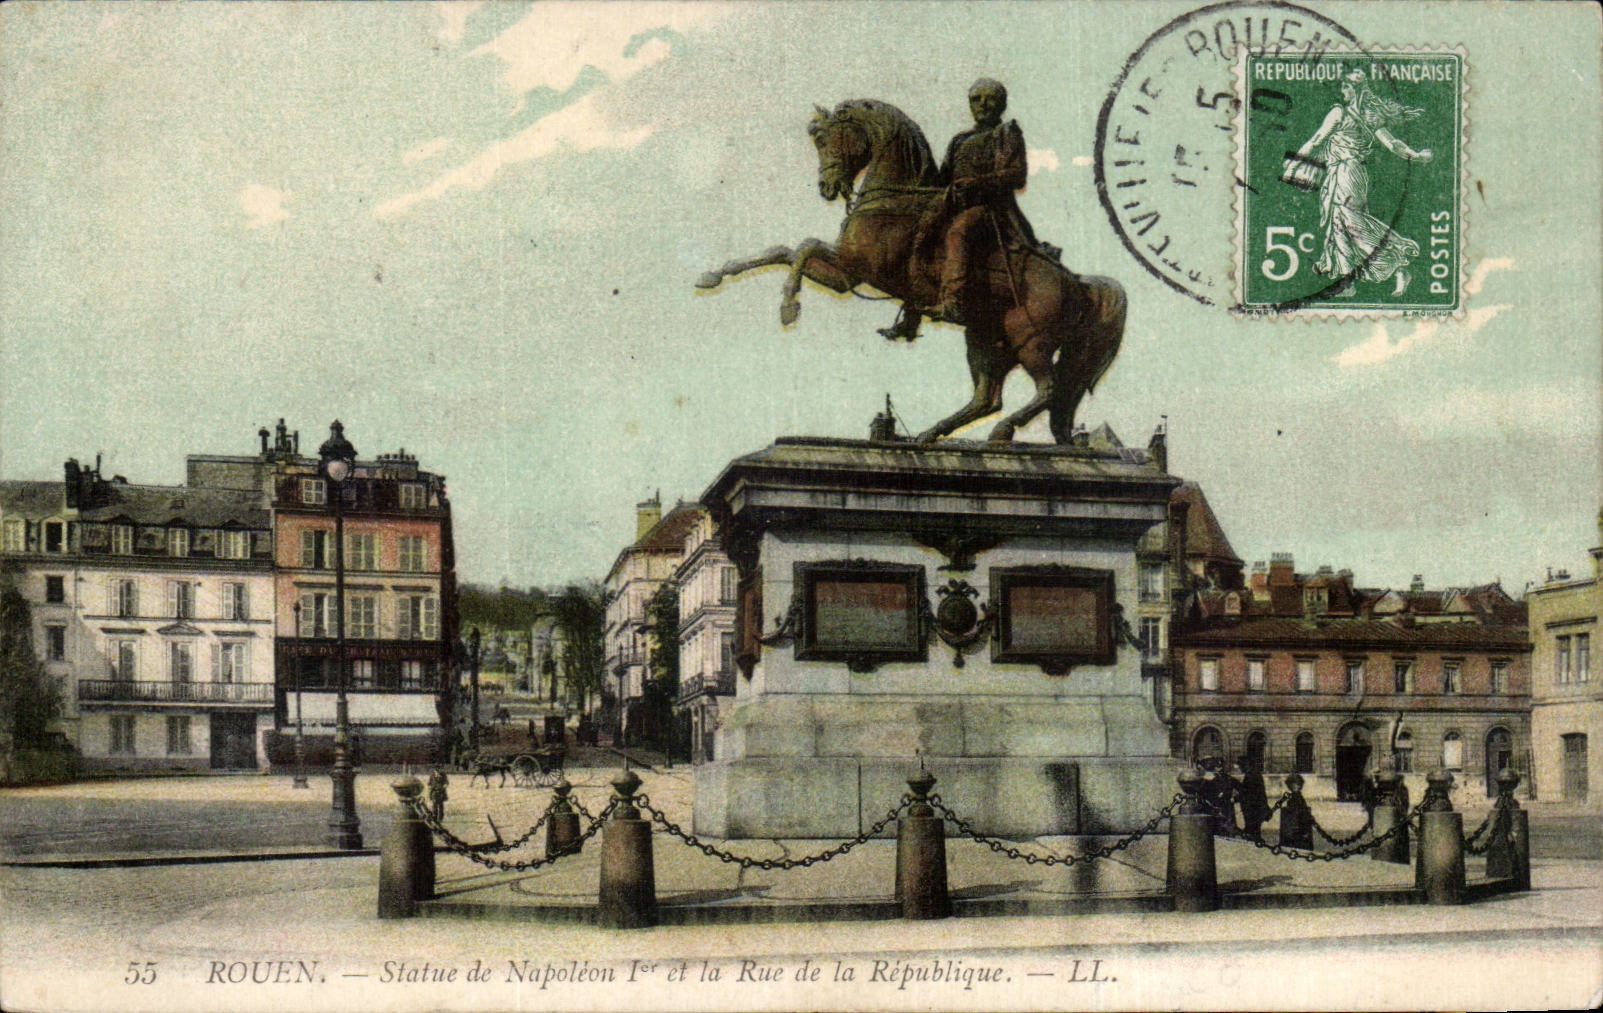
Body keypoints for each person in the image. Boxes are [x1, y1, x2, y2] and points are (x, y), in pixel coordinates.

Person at [879, 78, 1038, 340]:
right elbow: (943, 179)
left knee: (959, 231)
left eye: (990, 99)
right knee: (918, 237)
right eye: (976, 99)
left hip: (990, 209)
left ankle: (954, 302)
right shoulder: (960, 140)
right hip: (955, 205)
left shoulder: (1006, 133)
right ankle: (911, 317)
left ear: (1002, 104)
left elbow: (1016, 175)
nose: (982, 104)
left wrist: (976, 182)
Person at [1283, 68, 1433, 297]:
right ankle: (1347, 282)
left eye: (1345, 87)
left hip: (1344, 173)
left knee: (1350, 224)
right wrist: (1415, 155)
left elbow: (1315, 140)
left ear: (1355, 90)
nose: (1342, 91)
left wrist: (1293, 166)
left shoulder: (1339, 113)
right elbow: (1393, 144)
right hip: (1355, 174)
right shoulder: (1370, 117)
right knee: (1342, 223)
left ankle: (1396, 263)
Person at [1236, 756, 1271, 841]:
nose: (1240, 768)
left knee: (1253, 831)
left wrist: (1236, 798)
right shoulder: (1253, 774)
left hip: (1253, 809)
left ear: (1245, 765)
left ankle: (1256, 842)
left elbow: (1248, 794)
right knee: (1253, 830)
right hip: (1255, 809)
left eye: (1240, 766)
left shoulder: (1251, 776)